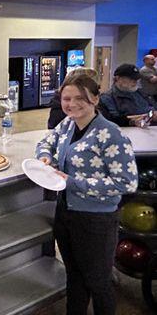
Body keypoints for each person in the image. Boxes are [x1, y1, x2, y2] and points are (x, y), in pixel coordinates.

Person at [36, 74, 138, 315]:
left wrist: (73, 182)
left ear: (95, 98)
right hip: (66, 213)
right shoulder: (67, 124)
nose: (72, 104)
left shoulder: (111, 133)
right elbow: (46, 142)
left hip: (95, 221)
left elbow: (126, 182)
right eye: (66, 98)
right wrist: (45, 158)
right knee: (74, 276)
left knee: (98, 282)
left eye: (80, 98)